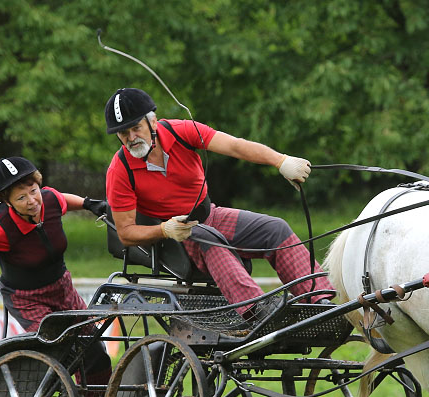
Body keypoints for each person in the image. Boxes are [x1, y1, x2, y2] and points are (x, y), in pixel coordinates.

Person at [103, 87, 335, 318]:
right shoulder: (120, 170)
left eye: (136, 128)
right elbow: (126, 233)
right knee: (210, 239)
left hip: (209, 215)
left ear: (152, 123)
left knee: (275, 229)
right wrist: (165, 229)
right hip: (177, 238)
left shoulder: (180, 131)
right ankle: (257, 312)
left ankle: (319, 301)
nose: (131, 138)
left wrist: (280, 161)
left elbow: (234, 145)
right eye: (123, 133)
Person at [0, 156, 112, 397]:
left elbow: (60, 199)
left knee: (93, 347)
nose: (32, 201)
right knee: (63, 349)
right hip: (27, 298)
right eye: (21, 198)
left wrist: (88, 203)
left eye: (33, 191)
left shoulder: (48, 199)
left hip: (62, 288)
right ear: (7, 202)